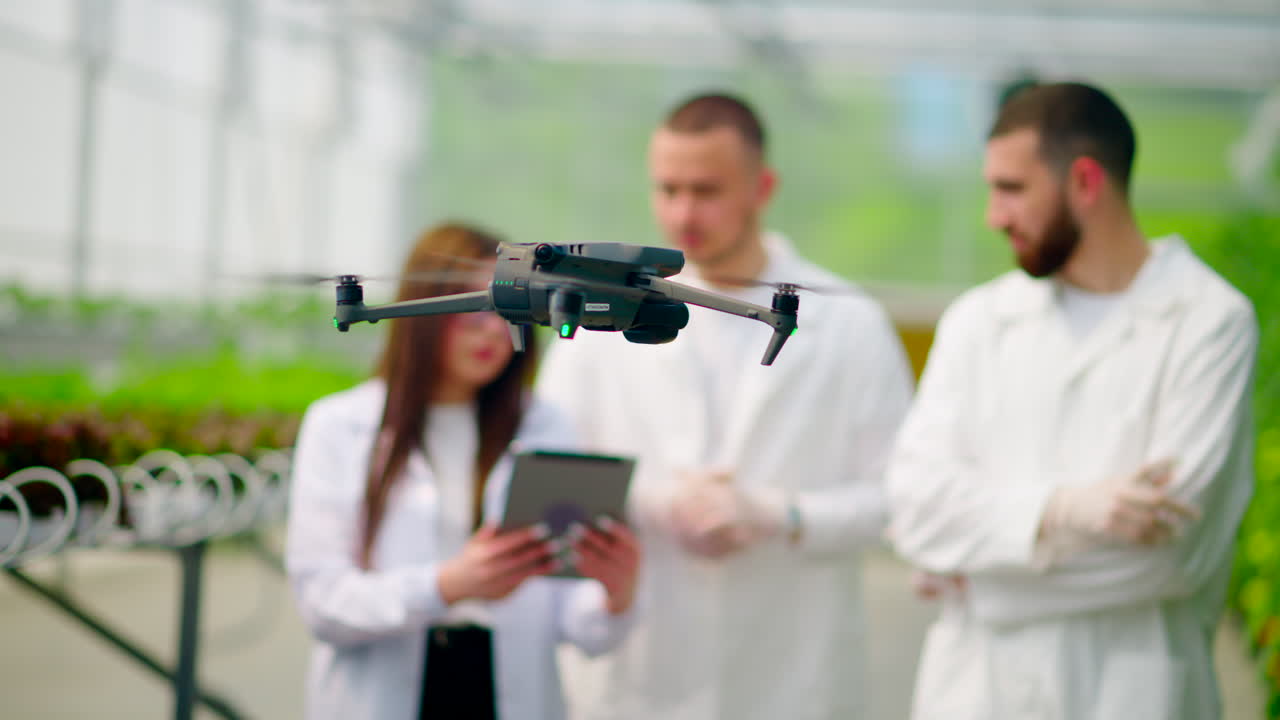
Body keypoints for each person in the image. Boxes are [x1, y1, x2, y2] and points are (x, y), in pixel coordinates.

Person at [536, 93, 915, 718]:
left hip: (791, 674)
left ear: (763, 187)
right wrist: (653, 502)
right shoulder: (592, 319)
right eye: (668, 189)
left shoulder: (850, 323)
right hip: (639, 670)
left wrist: (781, 515)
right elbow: (549, 478)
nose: (683, 213)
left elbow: (902, 498)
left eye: (706, 190)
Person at [887, 82, 1258, 720]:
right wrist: (1064, 509)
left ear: (1085, 181)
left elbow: (1168, 562)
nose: (992, 215)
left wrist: (974, 580)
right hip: (976, 692)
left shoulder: (1208, 321)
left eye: (1011, 189)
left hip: (1131, 693)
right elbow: (915, 514)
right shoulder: (979, 321)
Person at [285, 222, 641, 720]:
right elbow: (323, 603)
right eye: (472, 310)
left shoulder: (545, 424)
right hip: (386, 692)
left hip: (505, 691)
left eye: (508, 308)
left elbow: (577, 625)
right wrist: (448, 585)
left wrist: (615, 593)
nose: (492, 330)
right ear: (422, 311)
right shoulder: (340, 426)